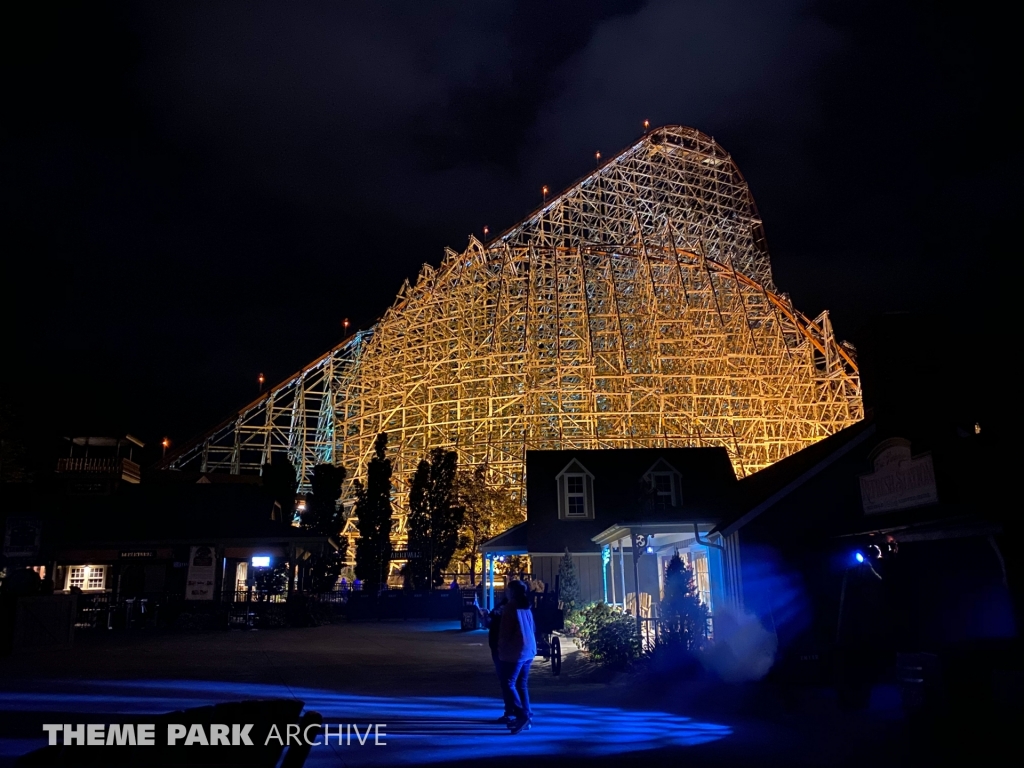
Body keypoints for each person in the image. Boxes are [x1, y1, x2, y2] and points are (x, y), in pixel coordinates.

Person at [498, 580, 537, 734]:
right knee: (521, 684)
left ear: (512, 592)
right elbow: (532, 627)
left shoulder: (510, 607)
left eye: (507, 590)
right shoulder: (526, 606)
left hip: (516, 650)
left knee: (508, 683)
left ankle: (522, 715)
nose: (505, 592)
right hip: (529, 649)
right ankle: (527, 715)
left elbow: (506, 631)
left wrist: (502, 647)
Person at [488, 587, 515, 724]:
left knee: (508, 682)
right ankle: (512, 711)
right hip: (499, 646)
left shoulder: (513, 607)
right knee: (507, 682)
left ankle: (516, 712)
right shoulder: (505, 604)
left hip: (504, 648)